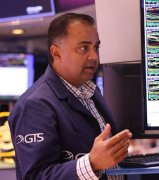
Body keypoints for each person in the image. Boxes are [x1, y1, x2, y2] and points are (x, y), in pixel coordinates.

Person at [8, 13, 132, 180]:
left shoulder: (90, 92)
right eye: (84, 48)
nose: (94, 56)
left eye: (96, 47)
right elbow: (35, 176)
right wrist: (91, 163)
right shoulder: (34, 104)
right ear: (56, 53)